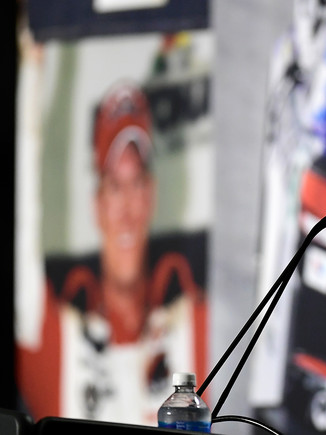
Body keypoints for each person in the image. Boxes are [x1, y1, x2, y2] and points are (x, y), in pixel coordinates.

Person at [16, 82, 208, 425]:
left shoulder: (192, 328)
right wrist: (31, 73)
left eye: (137, 184)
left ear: (151, 195)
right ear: (97, 205)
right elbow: (20, 234)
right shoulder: (60, 347)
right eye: (115, 187)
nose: (127, 211)